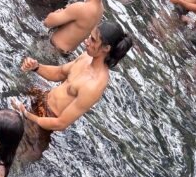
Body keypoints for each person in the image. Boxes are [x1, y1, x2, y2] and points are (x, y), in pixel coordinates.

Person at [12, 21, 133, 162]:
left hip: (41, 128)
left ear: (106, 48)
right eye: (90, 36)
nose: (86, 41)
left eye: (93, 40)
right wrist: (36, 67)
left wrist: (27, 114)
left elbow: (61, 123)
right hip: (40, 101)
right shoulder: (86, 57)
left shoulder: (94, 85)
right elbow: (59, 73)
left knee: (9, 159)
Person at [43, 0, 116, 53]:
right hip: (66, 53)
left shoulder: (80, 8)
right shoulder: (100, 10)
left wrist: (55, 14)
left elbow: (47, 22)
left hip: (51, 48)